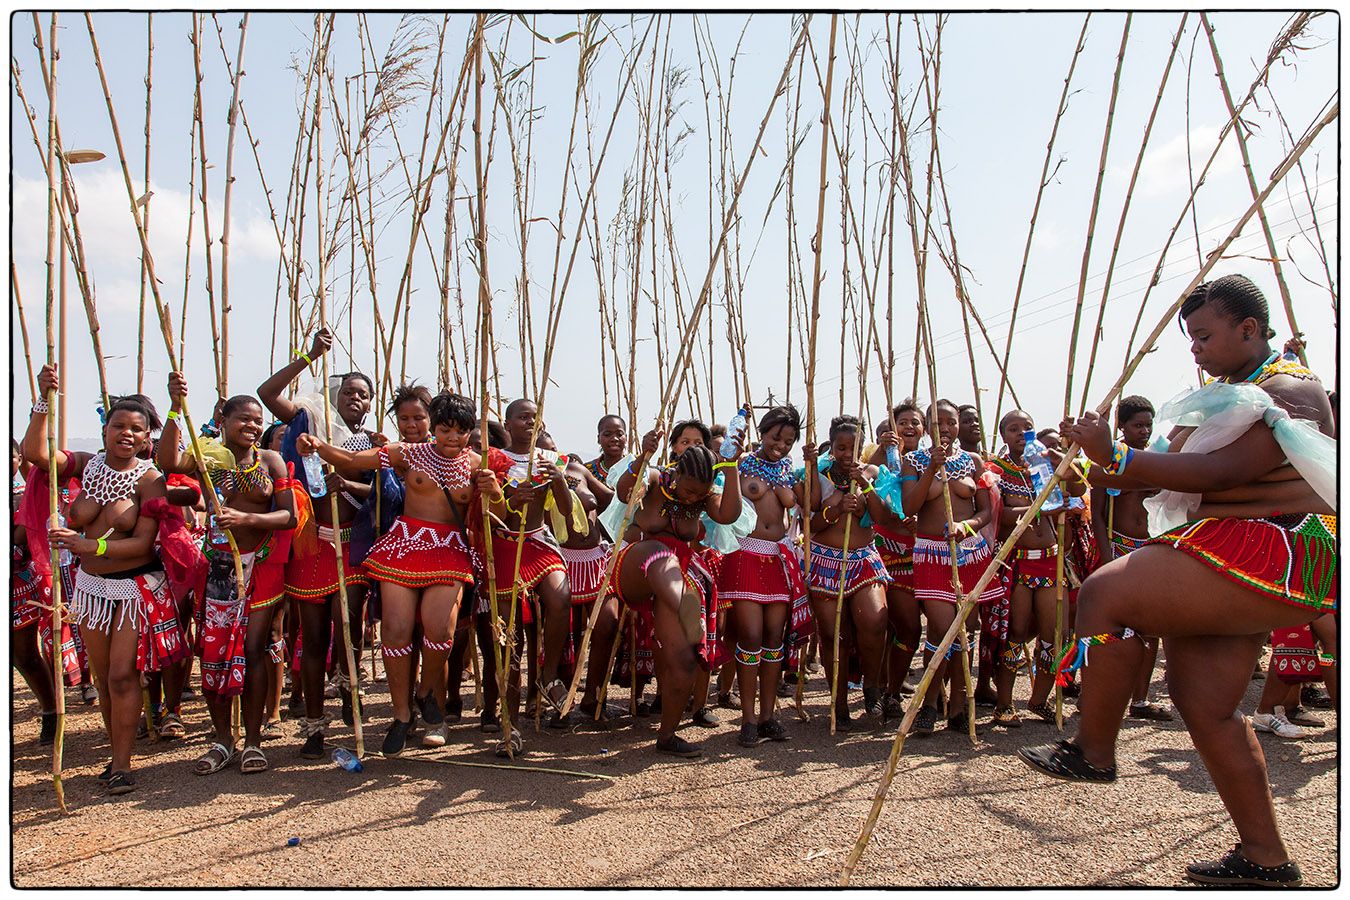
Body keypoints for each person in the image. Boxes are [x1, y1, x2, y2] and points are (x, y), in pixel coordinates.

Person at [1020, 274, 1336, 886]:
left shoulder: (1290, 390)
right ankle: (1266, 859)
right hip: (1235, 552)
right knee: (1204, 705)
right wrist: (1089, 463)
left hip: (1274, 552)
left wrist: (1115, 456)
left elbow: (1219, 472)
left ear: (1249, 328)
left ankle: (1092, 750)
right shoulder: (1224, 394)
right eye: (1191, 337)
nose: (1195, 348)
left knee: (1104, 592)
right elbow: (1163, 472)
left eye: (1205, 335)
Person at [298, 391, 498, 758]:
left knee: (441, 629)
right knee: (395, 630)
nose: (453, 439)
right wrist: (318, 446)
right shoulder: (408, 454)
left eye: (461, 431)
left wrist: (494, 491)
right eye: (445, 430)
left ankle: (425, 691)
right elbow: (350, 459)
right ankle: (401, 714)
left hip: (449, 551)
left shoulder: (477, 464)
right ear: (433, 427)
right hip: (404, 546)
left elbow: (496, 509)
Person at [24, 365, 189, 795]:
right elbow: (36, 453)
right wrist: (43, 398)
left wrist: (88, 545)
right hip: (91, 590)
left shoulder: (150, 479)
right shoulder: (85, 465)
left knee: (121, 676)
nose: (127, 434)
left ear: (147, 438)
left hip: (133, 589)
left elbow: (143, 543)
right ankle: (116, 751)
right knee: (102, 678)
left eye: (136, 429)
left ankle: (122, 764)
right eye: (119, 426)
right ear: (105, 429)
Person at [160, 375, 297, 776]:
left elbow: (288, 516)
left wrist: (247, 518)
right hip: (219, 567)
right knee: (214, 654)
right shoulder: (206, 455)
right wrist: (175, 407)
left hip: (261, 567)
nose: (252, 426)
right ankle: (223, 740)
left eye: (258, 421)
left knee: (253, 651)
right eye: (244, 419)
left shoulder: (270, 461)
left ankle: (252, 741)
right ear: (223, 419)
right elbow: (167, 463)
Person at [258, 327, 374, 745]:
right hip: (312, 545)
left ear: (370, 403)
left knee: (351, 633)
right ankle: (313, 726)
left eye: (363, 395)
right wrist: (309, 356)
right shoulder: (310, 420)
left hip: (353, 545)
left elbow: (383, 495)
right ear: (335, 396)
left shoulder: (373, 443)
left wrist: (349, 484)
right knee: (313, 638)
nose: (355, 399)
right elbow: (268, 393)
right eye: (349, 392)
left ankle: (350, 697)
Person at [606, 434, 745, 757]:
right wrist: (642, 457)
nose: (693, 497)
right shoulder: (655, 478)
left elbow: (728, 515)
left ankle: (667, 735)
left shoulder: (705, 495)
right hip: (637, 566)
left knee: (684, 661)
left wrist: (732, 467)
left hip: (675, 582)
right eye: (689, 490)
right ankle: (693, 617)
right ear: (678, 472)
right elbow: (625, 492)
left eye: (700, 493)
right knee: (660, 553)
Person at [897, 400, 1001, 735]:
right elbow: (909, 506)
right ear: (927, 427)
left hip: (969, 553)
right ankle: (929, 702)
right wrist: (932, 467)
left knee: (966, 630)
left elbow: (985, 511)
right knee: (942, 628)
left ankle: (958, 705)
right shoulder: (913, 461)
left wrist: (965, 526)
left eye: (950, 422)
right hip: (932, 555)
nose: (945, 428)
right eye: (937, 422)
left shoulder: (973, 461)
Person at [986, 410, 1083, 727]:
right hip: (1017, 563)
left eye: (1027, 427)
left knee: (1057, 635)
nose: (1021, 433)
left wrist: (1068, 454)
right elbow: (998, 517)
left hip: (1051, 561)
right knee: (1014, 634)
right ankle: (1004, 704)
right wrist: (1040, 507)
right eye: (1013, 429)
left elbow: (1078, 490)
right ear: (1003, 435)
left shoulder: (1045, 464)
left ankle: (1040, 700)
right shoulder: (995, 470)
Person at [717, 404, 804, 747]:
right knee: (750, 636)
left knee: (773, 638)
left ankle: (768, 716)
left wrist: (811, 467)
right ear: (762, 433)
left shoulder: (790, 469)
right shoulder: (740, 462)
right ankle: (748, 719)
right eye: (775, 437)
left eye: (788, 441)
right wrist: (730, 458)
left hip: (778, 559)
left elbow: (806, 504)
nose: (780, 445)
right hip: (746, 556)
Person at [488, 399, 573, 748]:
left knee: (560, 597)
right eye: (523, 417)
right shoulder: (495, 460)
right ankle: (510, 724)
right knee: (510, 638)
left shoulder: (550, 459)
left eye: (535, 417)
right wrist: (511, 502)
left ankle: (549, 675)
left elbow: (565, 510)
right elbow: (490, 513)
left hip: (538, 542)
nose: (530, 422)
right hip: (506, 546)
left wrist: (559, 481)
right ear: (507, 423)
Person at [801, 414, 890, 728]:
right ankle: (838, 702)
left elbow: (883, 517)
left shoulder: (873, 473)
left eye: (853, 448)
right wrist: (837, 509)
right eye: (840, 447)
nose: (846, 454)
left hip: (864, 558)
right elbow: (810, 523)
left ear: (862, 447)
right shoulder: (816, 474)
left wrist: (865, 485)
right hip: (825, 561)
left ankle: (872, 688)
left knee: (875, 621)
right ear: (832, 446)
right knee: (832, 634)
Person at [1088, 395, 1171, 723]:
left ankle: (1140, 699)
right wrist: (1105, 555)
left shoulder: (1157, 459)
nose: (1144, 431)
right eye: (1138, 425)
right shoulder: (1109, 461)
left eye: (1148, 425)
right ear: (1122, 426)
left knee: (1151, 628)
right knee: (1112, 626)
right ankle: (1101, 696)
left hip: (1151, 547)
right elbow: (1097, 514)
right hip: (1118, 546)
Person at [868, 401, 925, 717]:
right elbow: (866, 480)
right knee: (895, 626)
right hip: (887, 551)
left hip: (925, 553)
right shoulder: (883, 458)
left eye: (915, 422)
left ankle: (893, 691)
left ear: (924, 429)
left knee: (911, 631)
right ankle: (878, 689)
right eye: (902, 422)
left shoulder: (930, 461)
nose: (909, 427)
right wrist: (884, 448)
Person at [11, 440, 58, 745]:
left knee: (24, 655)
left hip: (17, 583)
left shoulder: (22, 496)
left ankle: (51, 710)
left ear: (19, 460)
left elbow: (24, 538)